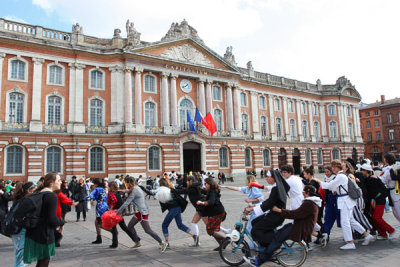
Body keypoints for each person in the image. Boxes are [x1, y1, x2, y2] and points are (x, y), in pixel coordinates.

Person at [244, 185, 321, 267]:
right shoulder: (312, 203)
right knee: (277, 236)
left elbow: (295, 214)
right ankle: (268, 251)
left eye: (303, 192)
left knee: (276, 239)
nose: (302, 194)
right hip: (297, 225)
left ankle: (259, 261)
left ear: (307, 193)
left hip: (298, 227)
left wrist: (279, 210)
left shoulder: (309, 204)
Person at [317, 160, 374, 249]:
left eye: (334, 167)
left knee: (345, 221)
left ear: (338, 167)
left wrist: (318, 182)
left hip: (345, 200)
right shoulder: (340, 176)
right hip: (345, 200)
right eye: (332, 167)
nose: (333, 169)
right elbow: (334, 187)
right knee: (351, 220)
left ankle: (350, 242)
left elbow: (329, 186)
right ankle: (366, 235)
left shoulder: (340, 176)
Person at [23, 172, 64, 267]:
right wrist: (61, 221)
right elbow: (52, 219)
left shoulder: (39, 192)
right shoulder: (51, 196)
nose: (60, 182)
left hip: (33, 232)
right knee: (44, 261)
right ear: (51, 183)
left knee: (41, 261)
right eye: (58, 180)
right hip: (45, 233)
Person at [117, 177, 167, 251]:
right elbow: (129, 190)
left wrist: (117, 212)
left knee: (147, 230)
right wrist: (121, 190)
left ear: (129, 183)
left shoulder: (135, 190)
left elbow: (126, 203)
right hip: (139, 212)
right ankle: (137, 242)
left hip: (142, 212)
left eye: (126, 182)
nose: (125, 184)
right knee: (130, 226)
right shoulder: (136, 187)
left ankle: (162, 242)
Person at [248, 170, 289, 247]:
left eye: (268, 177)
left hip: (276, 216)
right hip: (275, 214)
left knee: (255, 230)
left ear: (273, 178)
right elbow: (269, 201)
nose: (266, 178)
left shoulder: (276, 188)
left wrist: (253, 209)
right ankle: (264, 245)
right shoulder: (276, 187)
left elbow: (269, 203)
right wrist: (255, 207)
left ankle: (272, 244)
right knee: (254, 222)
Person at [221, 175, 264, 248]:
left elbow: (261, 198)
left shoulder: (254, 188)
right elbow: (237, 188)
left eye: (246, 180)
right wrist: (226, 186)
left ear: (249, 180)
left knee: (252, 228)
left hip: (258, 210)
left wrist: (250, 200)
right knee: (251, 227)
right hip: (253, 210)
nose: (245, 181)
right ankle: (254, 245)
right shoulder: (248, 188)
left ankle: (255, 245)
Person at [157, 178, 195, 249]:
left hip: (173, 209)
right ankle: (193, 235)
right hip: (177, 208)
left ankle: (167, 243)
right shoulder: (170, 189)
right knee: (180, 225)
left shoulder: (166, 191)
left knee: (164, 225)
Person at [361, 163, 395, 239]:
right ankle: (383, 234)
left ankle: (390, 230)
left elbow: (382, 189)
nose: (361, 172)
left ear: (367, 171)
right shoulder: (368, 179)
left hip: (379, 200)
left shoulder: (374, 179)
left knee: (377, 217)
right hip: (374, 200)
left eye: (362, 170)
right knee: (374, 217)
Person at [343, 161, 373, 236]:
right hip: (353, 197)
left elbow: (353, 187)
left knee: (358, 215)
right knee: (354, 217)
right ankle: (362, 232)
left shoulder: (349, 175)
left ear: (347, 168)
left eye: (343, 166)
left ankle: (371, 228)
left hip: (355, 198)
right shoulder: (346, 175)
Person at [197, 177, 227, 250]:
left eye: (206, 184)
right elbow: (205, 192)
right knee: (213, 230)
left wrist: (202, 202)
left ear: (210, 184)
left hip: (216, 213)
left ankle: (226, 239)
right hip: (218, 212)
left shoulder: (212, 192)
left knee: (210, 230)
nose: (205, 185)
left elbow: (211, 201)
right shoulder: (211, 190)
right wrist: (199, 188)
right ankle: (222, 245)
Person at [11, 182, 36, 267]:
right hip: (21, 231)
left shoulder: (21, 200)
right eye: (34, 191)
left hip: (18, 231)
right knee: (22, 260)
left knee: (20, 258)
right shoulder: (26, 201)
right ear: (29, 191)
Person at [83, 178, 109, 244]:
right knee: (97, 222)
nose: (92, 185)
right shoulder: (103, 189)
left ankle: (112, 231)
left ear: (96, 184)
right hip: (105, 206)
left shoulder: (96, 189)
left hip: (100, 207)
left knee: (98, 222)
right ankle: (99, 237)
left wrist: (83, 199)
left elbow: (90, 196)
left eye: (93, 184)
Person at [381, 153, 400, 223]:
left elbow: (383, 180)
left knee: (397, 212)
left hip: (394, 191)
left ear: (386, 160)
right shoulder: (396, 166)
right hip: (396, 191)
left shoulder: (389, 169)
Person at [323, 166, 340, 239]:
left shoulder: (335, 178)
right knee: (328, 217)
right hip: (328, 199)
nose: (326, 173)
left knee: (340, 216)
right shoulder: (325, 179)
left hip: (334, 199)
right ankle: (326, 234)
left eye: (328, 172)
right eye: (325, 172)